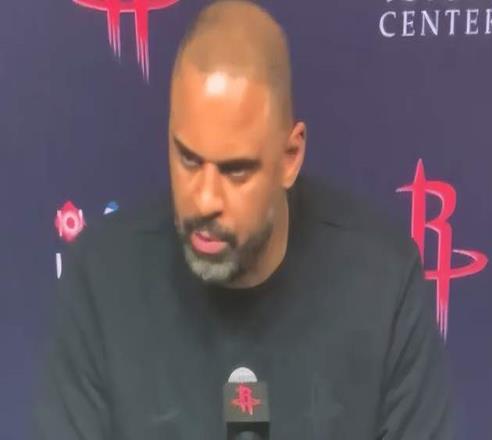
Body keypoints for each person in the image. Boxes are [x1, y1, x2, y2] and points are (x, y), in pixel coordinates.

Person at [33, 0, 455, 439]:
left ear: (290, 156)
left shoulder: (383, 285)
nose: (204, 200)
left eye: (235, 170)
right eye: (188, 159)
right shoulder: (102, 280)